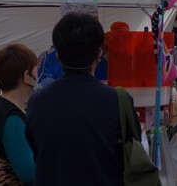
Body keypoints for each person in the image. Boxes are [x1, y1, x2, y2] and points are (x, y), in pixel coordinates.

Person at [26, 12, 130, 186]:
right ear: (99, 53)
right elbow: (130, 153)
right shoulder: (119, 100)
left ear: (58, 55)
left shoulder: (36, 102)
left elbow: (35, 151)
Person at [0, 43, 38, 185]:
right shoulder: (11, 117)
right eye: (36, 69)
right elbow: (29, 173)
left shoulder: (0, 108)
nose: (38, 73)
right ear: (27, 76)